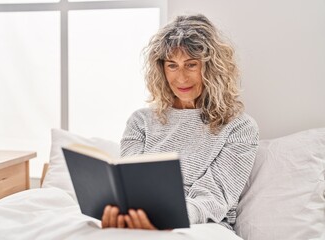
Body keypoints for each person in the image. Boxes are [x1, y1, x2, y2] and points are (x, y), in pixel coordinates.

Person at [101, 14, 259, 231]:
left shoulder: (239, 127)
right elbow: (130, 185)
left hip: (203, 226)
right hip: (141, 221)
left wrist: (165, 218)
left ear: (212, 68)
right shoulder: (140, 121)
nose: (181, 78)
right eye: (172, 65)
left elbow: (214, 197)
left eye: (191, 65)